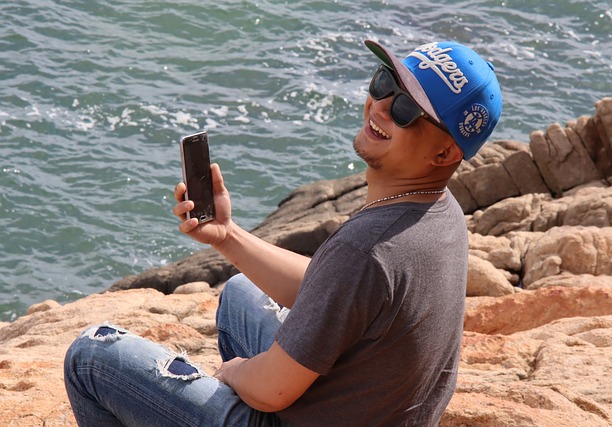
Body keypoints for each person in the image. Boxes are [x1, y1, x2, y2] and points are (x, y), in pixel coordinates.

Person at [64, 38, 502, 426]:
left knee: (91, 355)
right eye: (385, 83)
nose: (381, 106)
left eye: (406, 109)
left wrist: (234, 372)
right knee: (241, 292)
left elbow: (272, 391)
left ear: (444, 152)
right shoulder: (440, 213)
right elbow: (335, 291)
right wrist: (227, 235)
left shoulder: (367, 249)